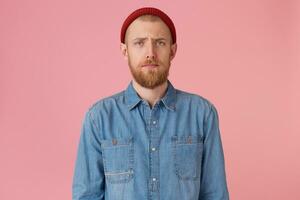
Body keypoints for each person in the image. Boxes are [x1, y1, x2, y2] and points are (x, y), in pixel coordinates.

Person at [72, 6, 230, 200]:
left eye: (160, 43)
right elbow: (87, 196)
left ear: (172, 51)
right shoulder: (99, 118)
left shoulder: (202, 115)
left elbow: (215, 195)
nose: (151, 53)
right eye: (139, 43)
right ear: (125, 51)